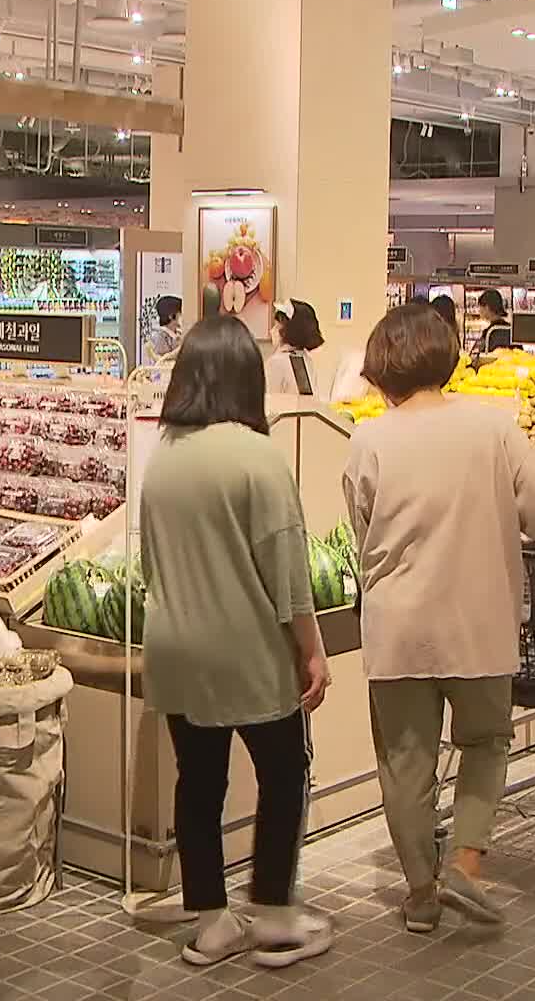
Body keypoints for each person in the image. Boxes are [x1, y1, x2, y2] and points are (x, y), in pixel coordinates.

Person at [343, 304, 535, 933]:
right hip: (480, 615)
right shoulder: (494, 428)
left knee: (406, 760)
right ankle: (465, 860)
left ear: (381, 364)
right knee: (486, 741)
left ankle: (419, 894)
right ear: (447, 354)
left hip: (398, 626)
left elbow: (363, 529)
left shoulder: (369, 438)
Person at [139, 316, 332, 969]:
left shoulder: (164, 457)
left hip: (173, 649)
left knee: (199, 782)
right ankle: (275, 917)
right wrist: (313, 649)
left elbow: (152, 563)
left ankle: (212, 922)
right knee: (284, 774)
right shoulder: (258, 457)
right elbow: (288, 571)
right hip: (244, 652)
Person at [264, 299, 325, 396]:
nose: (271, 331)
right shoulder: (306, 359)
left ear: (287, 331)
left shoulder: (276, 362)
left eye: (276, 326)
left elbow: (267, 401)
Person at [475, 289, 513, 355]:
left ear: (487, 307)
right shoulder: (511, 330)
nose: (479, 310)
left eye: (480, 307)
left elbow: (485, 355)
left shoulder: (489, 332)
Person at [145, 295, 184, 361]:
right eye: (180, 313)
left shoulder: (179, 333)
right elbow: (161, 361)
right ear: (171, 316)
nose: (183, 316)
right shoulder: (159, 337)